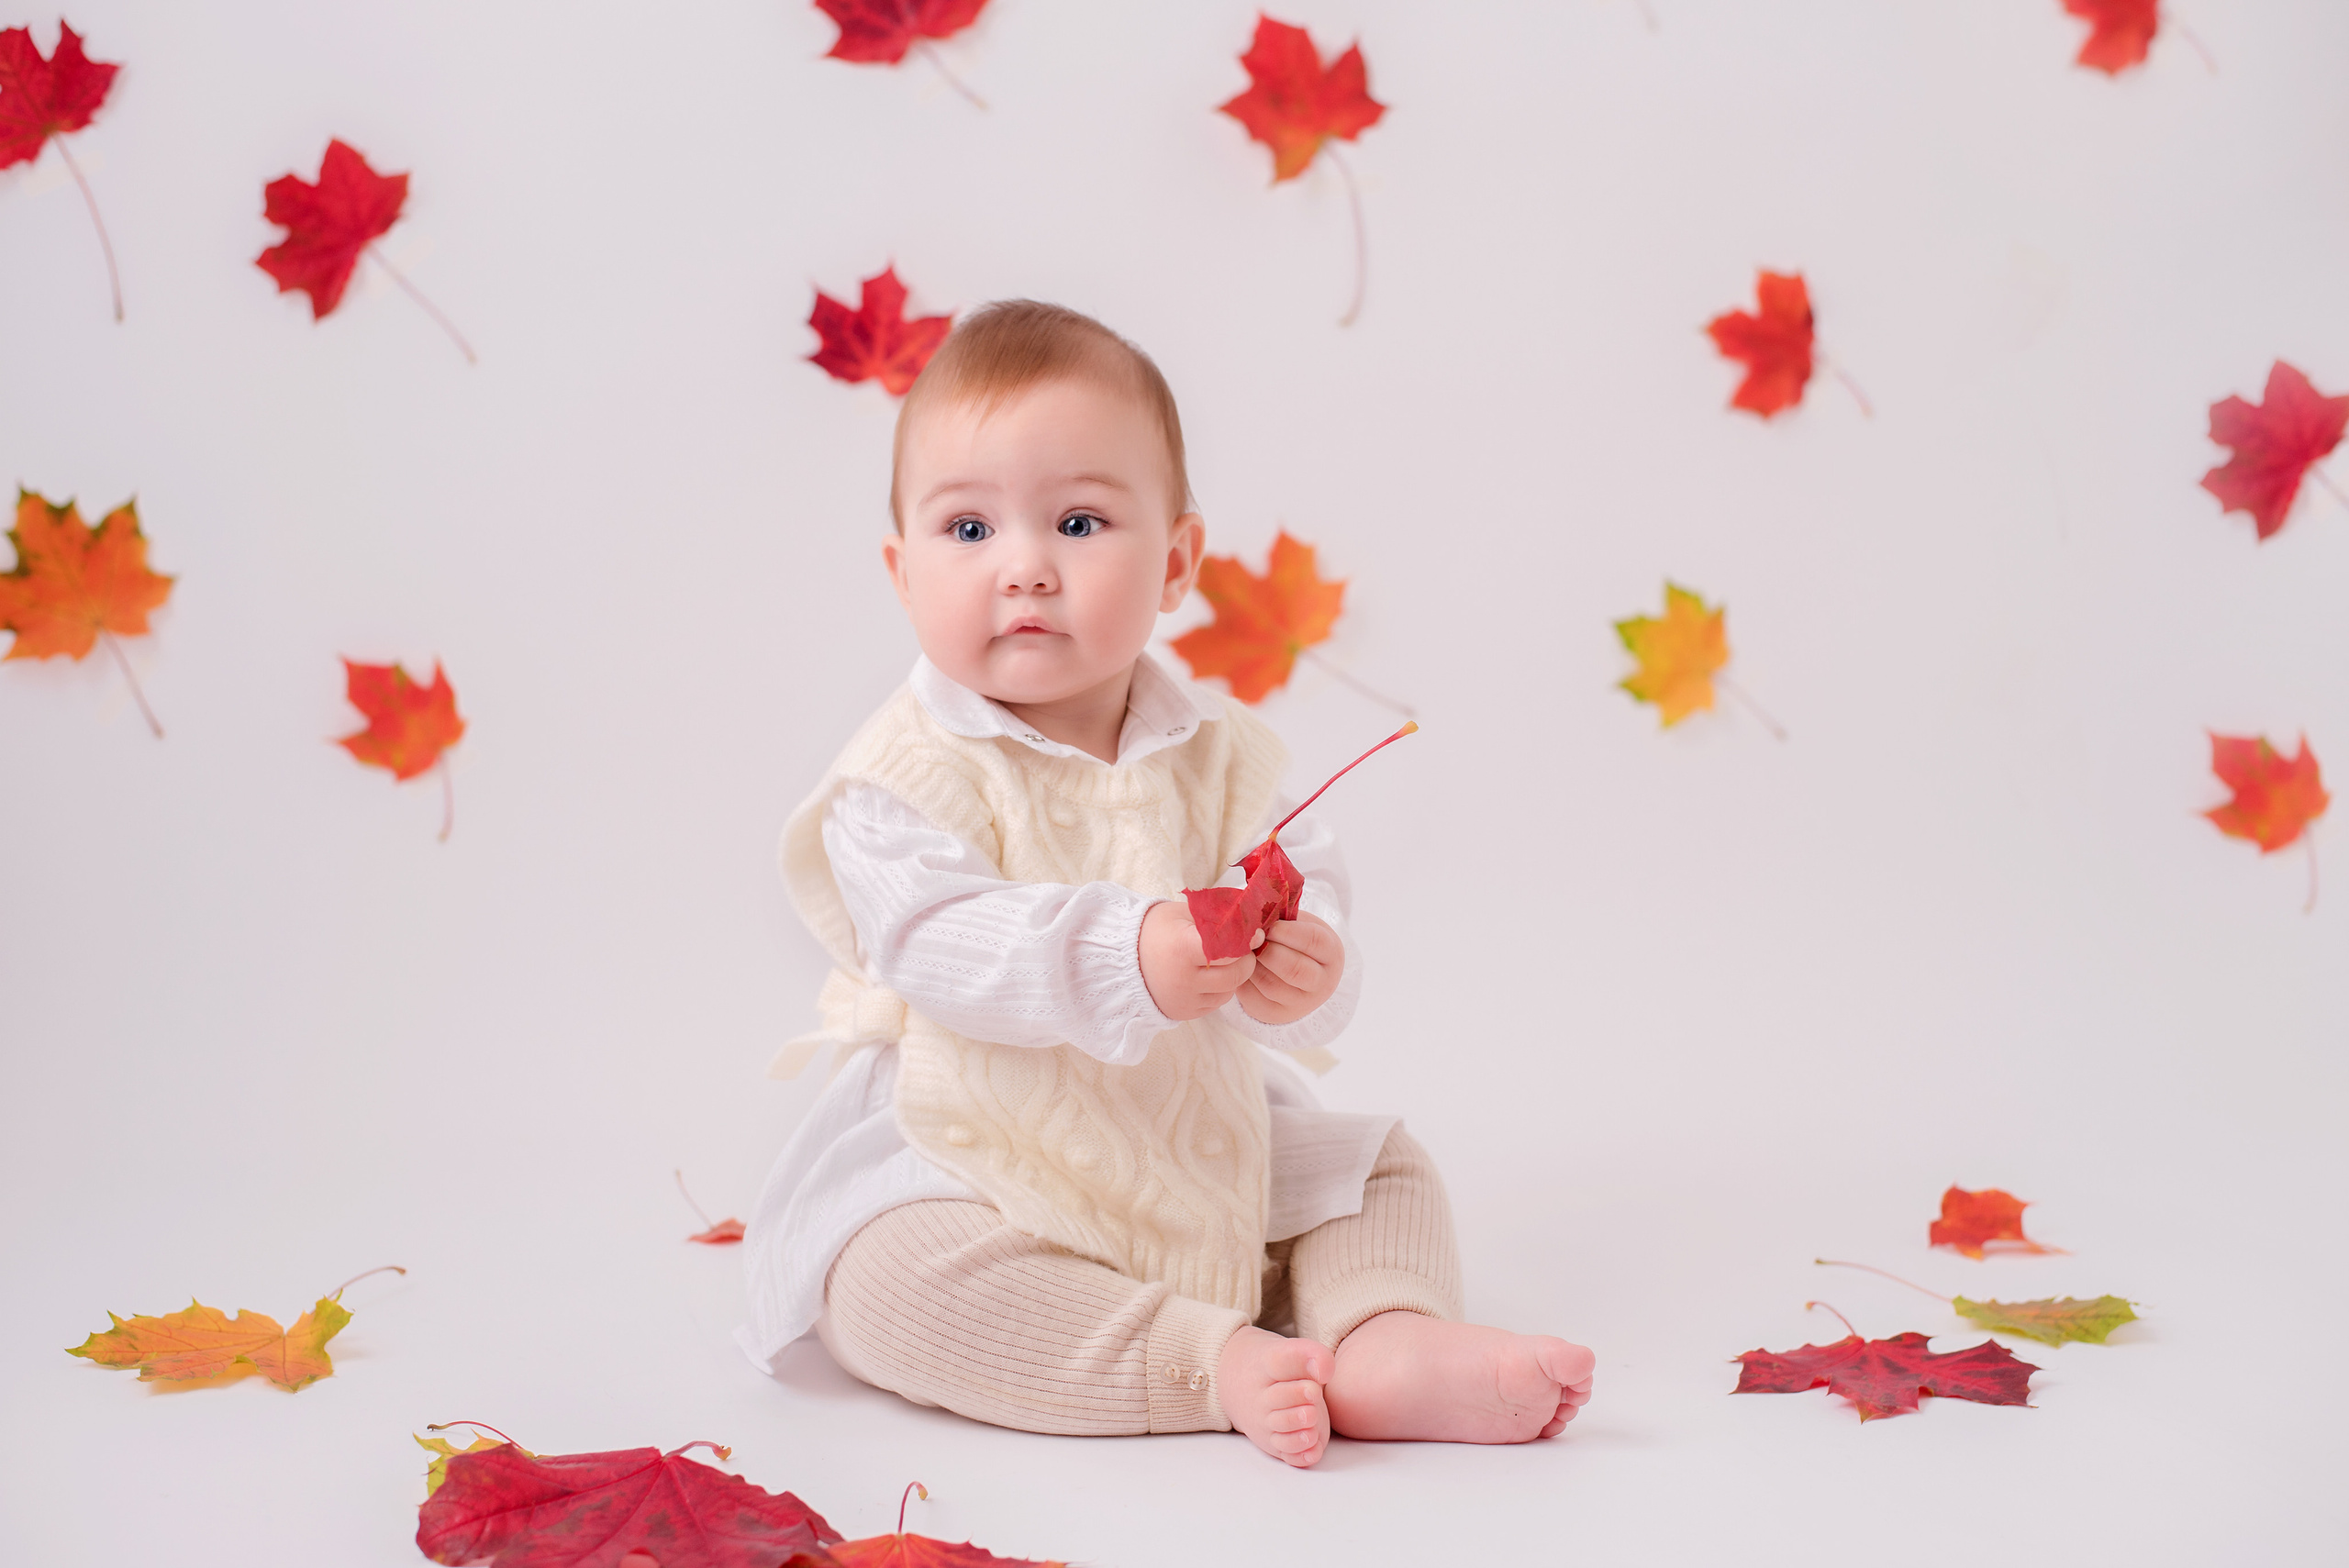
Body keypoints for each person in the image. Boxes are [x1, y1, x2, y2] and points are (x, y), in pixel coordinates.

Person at [737, 300, 1594, 1467]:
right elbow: (934, 939)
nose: (1026, 567)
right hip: (982, 1141)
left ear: (1178, 562)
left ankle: (1380, 1334)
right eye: (969, 527)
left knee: (1379, 1162)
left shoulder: (1221, 752)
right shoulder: (899, 775)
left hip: (1194, 1129)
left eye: (1079, 521)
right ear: (901, 570)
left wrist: (1303, 963)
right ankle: (1200, 1358)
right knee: (882, 1280)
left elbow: (1308, 873)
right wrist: (1121, 953)